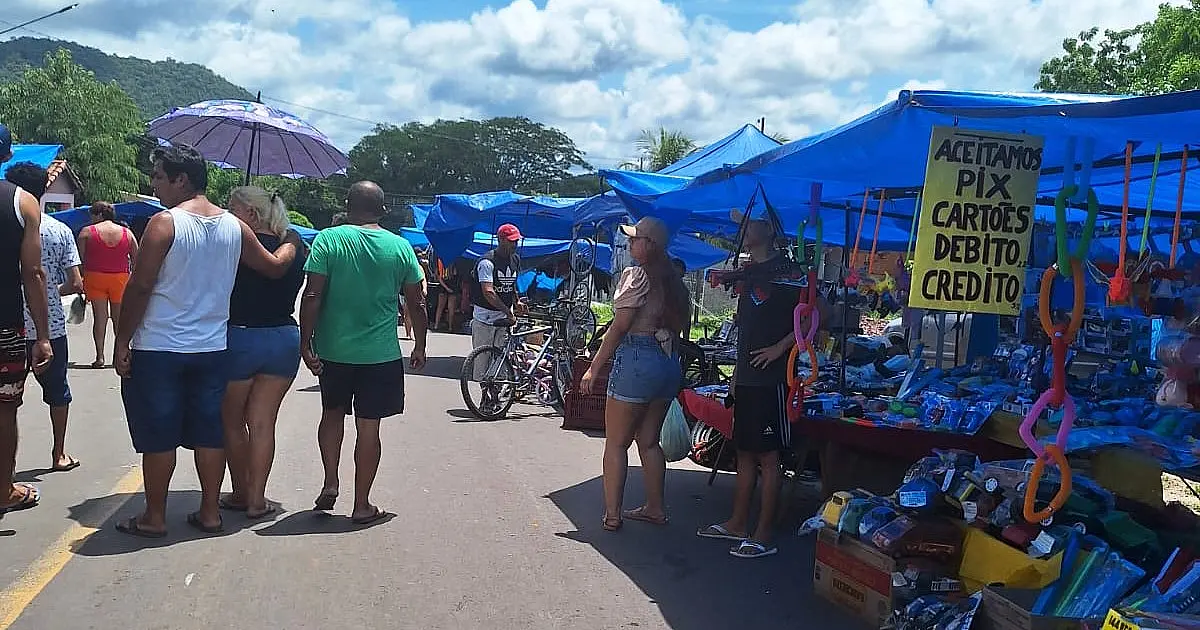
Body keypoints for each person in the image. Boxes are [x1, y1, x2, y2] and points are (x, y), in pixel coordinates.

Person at [113, 145, 299, 538]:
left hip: (160, 347)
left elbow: (141, 285)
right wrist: (290, 244)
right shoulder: (235, 226)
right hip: (212, 348)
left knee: (159, 435)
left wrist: (122, 340)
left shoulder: (164, 224)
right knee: (208, 432)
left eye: (159, 176)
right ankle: (211, 512)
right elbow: (272, 268)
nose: (154, 183)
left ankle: (154, 517)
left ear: (181, 179)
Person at [300, 180, 426, 525]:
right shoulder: (401, 248)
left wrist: (305, 341)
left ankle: (330, 481)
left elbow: (312, 296)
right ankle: (362, 505)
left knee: (331, 414)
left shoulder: (328, 239)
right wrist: (420, 344)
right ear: (383, 210)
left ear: (347, 205)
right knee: (369, 428)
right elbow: (416, 301)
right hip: (380, 354)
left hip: (334, 350)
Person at [697, 214, 798, 559]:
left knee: (768, 458)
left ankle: (763, 533)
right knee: (744, 452)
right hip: (748, 379)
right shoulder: (748, 271)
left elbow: (819, 316)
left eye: (749, 224)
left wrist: (780, 348)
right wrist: (737, 380)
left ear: (768, 229)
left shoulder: (788, 272)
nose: (743, 231)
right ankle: (738, 522)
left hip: (773, 380)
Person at [580, 216, 689, 532]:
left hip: (637, 358)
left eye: (635, 239)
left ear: (649, 245)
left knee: (615, 442)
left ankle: (612, 514)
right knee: (649, 441)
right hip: (667, 364)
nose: (630, 244)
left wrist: (594, 367)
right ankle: (655, 507)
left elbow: (619, 326)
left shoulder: (636, 275)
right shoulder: (674, 283)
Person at [219, 186, 307, 520]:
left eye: (232, 207)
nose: (227, 213)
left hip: (240, 336)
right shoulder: (294, 247)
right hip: (283, 337)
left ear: (251, 215)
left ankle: (240, 492)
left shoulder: (234, 246)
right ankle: (257, 499)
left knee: (231, 421)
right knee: (263, 422)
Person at [6, 162, 85, 473]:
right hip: (50, 326)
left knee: (8, 398)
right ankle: (59, 453)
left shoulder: (7, 227)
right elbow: (76, 283)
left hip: (9, 323)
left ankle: (6, 466)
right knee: (57, 392)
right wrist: (52, 292)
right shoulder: (59, 230)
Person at [0, 125, 54, 518]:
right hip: (5, 324)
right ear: (7, 155)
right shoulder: (22, 203)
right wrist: (44, 336)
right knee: (4, 408)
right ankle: (4, 490)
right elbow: (32, 273)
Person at [77, 201, 137, 368]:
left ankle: (100, 357)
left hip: (95, 277)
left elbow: (79, 259)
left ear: (98, 215)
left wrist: (81, 277)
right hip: (120, 279)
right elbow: (136, 258)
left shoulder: (87, 232)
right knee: (119, 320)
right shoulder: (127, 233)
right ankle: (120, 354)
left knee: (100, 318)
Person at [468, 223, 523, 362]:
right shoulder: (487, 262)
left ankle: (498, 384)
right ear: (500, 240)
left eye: (516, 241)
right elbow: (488, 292)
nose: (514, 245)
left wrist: (517, 302)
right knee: (482, 365)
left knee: (502, 365)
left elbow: (511, 284)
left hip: (504, 320)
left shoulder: (515, 259)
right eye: (511, 241)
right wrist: (508, 312)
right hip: (485, 318)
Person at [436, 259, 460, 332]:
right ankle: (449, 327)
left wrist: (446, 287)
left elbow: (438, 277)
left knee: (442, 307)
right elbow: (456, 274)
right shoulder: (455, 262)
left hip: (444, 286)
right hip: (452, 286)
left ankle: (437, 325)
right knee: (450, 308)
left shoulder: (440, 262)